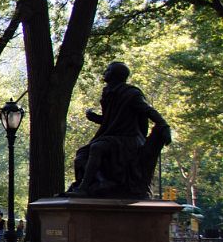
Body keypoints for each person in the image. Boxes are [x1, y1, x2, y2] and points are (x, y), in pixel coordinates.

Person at [67, 61, 171, 198]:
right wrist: (95, 118)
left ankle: (84, 188)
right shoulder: (108, 93)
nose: (105, 72)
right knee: (81, 155)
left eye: (108, 70)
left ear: (116, 75)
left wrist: (164, 125)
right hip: (111, 137)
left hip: (129, 139)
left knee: (97, 148)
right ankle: (101, 183)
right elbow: (111, 120)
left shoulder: (131, 94)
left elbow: (148, 111)